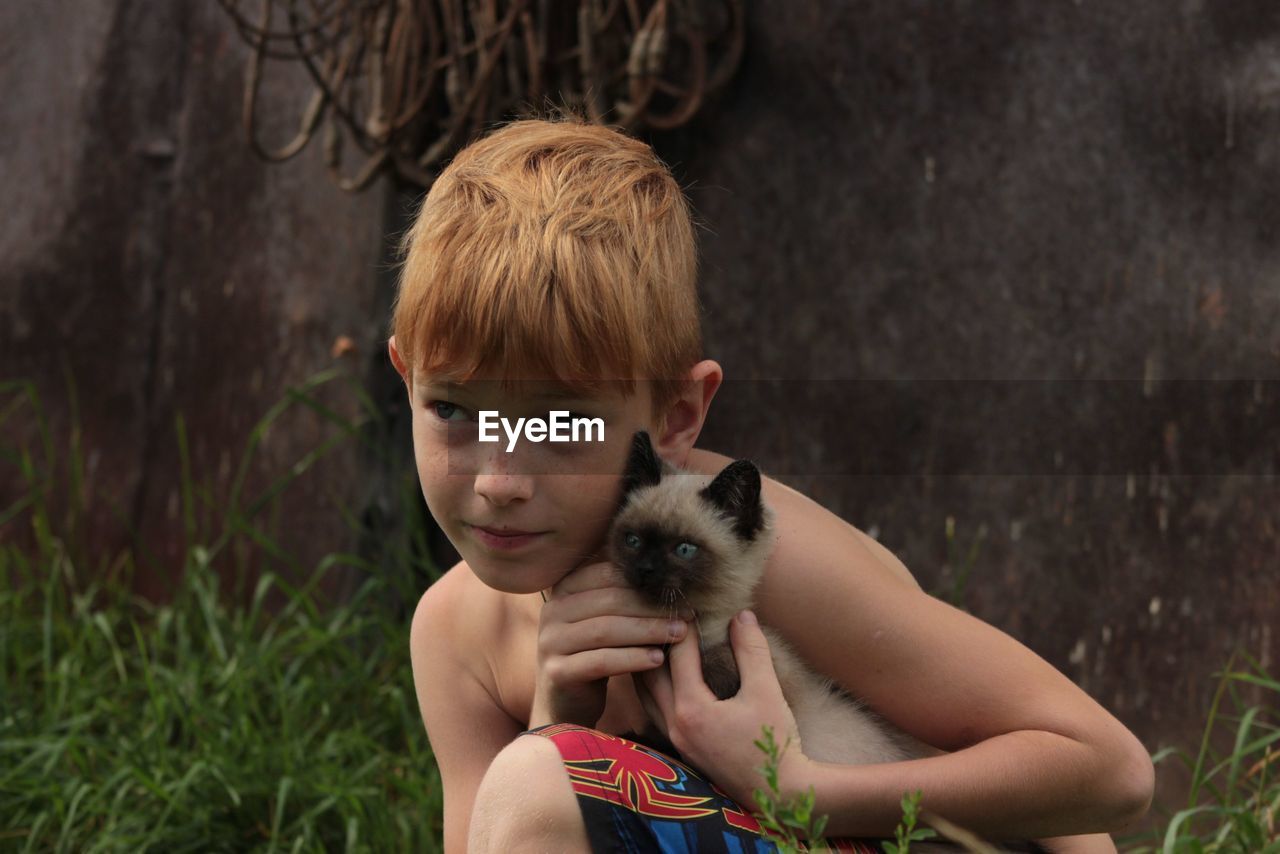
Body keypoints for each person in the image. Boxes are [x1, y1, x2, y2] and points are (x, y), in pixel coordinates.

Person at [388, 115, 1153, 852]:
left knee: (538, 786)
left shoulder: (751, 555)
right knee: (539, 782)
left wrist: (800, 791)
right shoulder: (457, 635)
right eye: (453, 408)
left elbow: (1107, 773)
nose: (499, 479)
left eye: (562, 423)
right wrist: (560, 716)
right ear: (405, 379)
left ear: (678, 414)